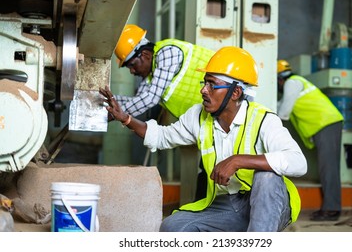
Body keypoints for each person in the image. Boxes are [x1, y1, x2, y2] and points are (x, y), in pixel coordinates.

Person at [100, 46, 307, 232]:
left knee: (266, 177)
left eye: (211, 84)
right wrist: (126, 119)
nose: (203, 90)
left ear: (235, 92)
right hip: (232, 205)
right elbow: (163, 137)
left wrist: (237, 160)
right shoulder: (198, 116)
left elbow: (299, 162)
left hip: (272, 205)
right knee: (173, 227)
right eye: (204, 82)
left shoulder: (263, 119)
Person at [276, 59, 344, 221]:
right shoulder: (296, 82)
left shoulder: (291, 83)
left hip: (326, 123)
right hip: (325, 124)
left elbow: (283, 112)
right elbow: (280, 104)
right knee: (327, 168)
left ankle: (331, 209)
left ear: (279, 79)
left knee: (328, 168)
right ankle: (331, 207)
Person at [112, 24, 215, 119]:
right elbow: (138, 100)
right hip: (208, 118)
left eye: (132, 65)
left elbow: (151, 98)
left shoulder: (168, 53)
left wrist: (113, 115)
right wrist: (109, 101)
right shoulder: (151, 76)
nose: (132, 71)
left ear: (145, 55)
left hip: (224, 104)